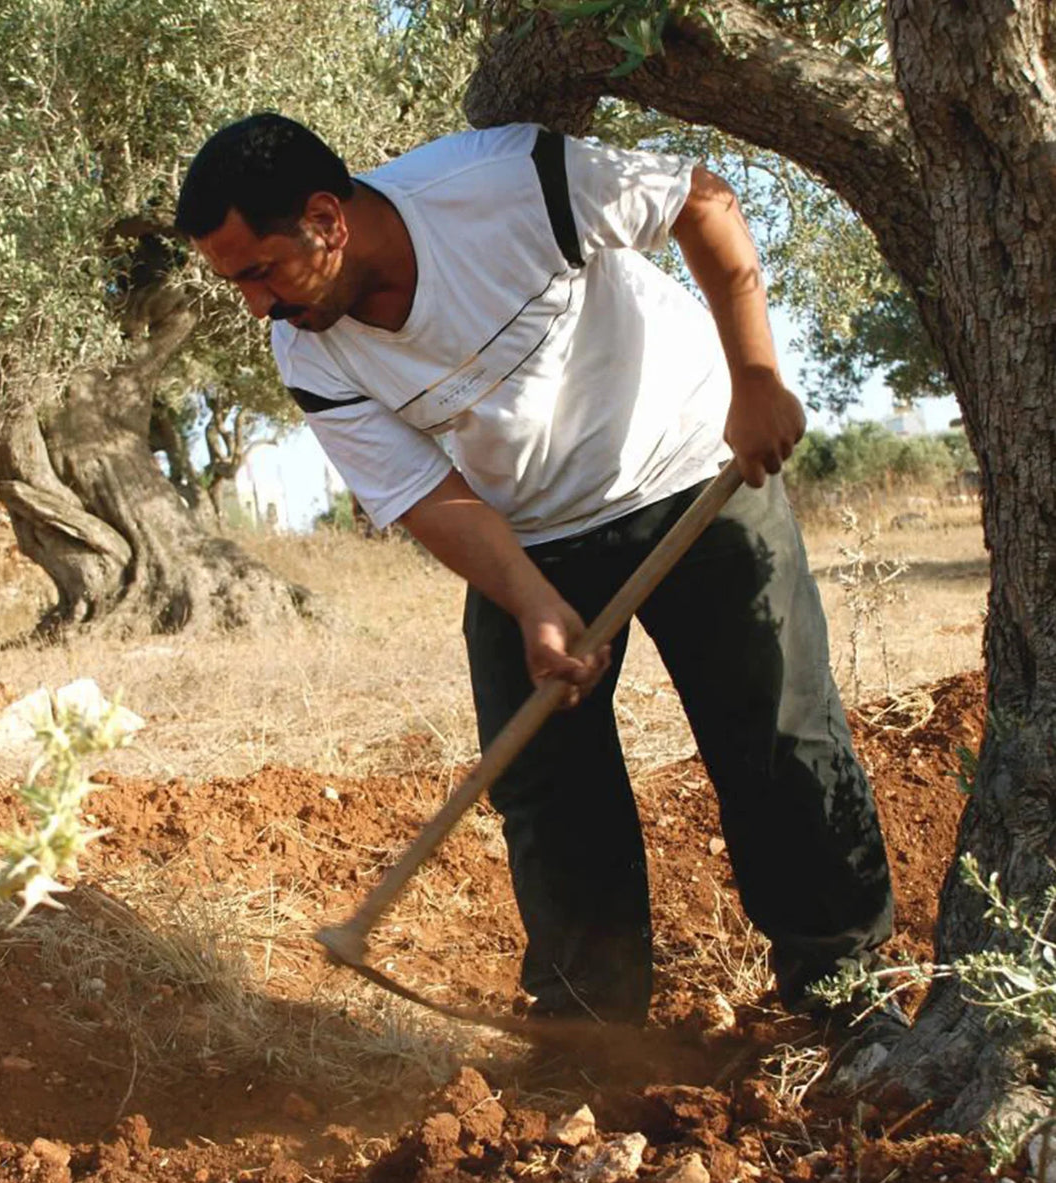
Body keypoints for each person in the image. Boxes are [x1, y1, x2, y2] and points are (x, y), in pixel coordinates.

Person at [175, 113, 896, 1028]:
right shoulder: (309, 350)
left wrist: (755, 377)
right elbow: (425, 491)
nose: (256, 304)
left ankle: (845, 994)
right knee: (546, 785)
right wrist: (530, 601)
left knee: (777, 737)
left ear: (326, 218)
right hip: (528, 533)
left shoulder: (509, 183)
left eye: (260, 270)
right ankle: (588, 1032)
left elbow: (699, 202)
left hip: (688, 474)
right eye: (236, 281)